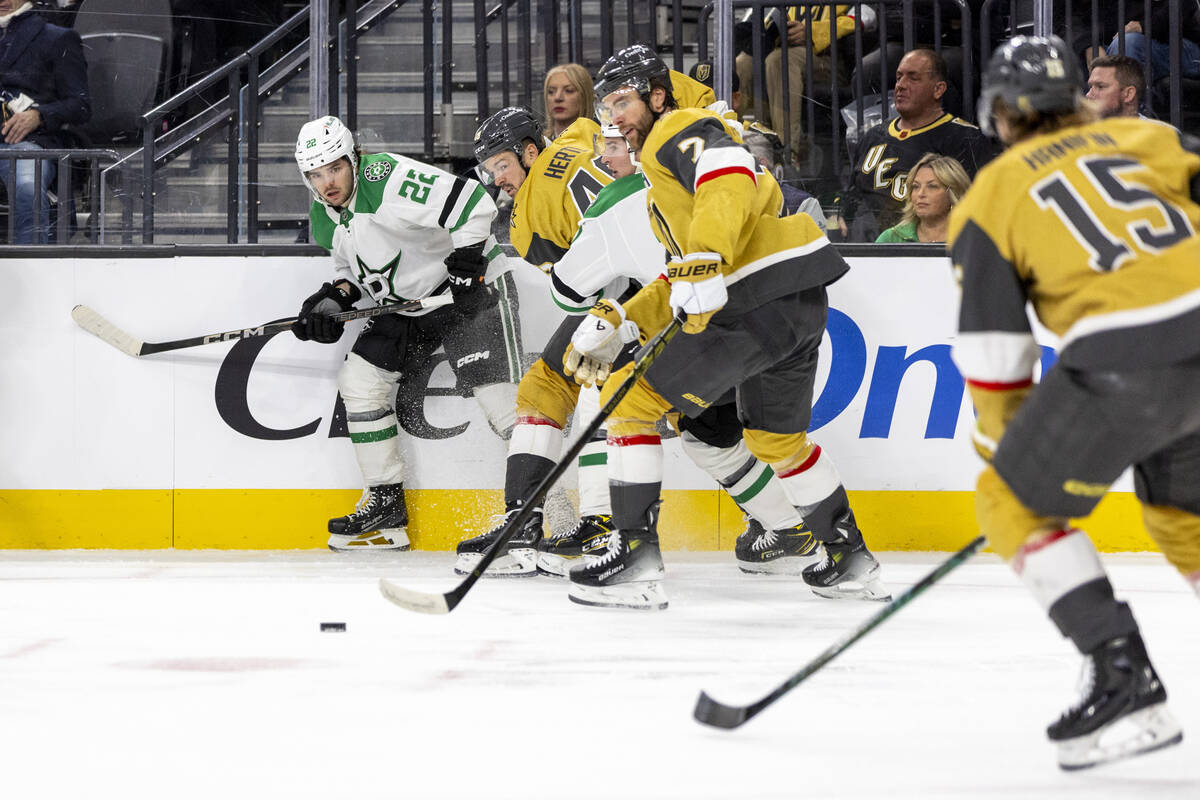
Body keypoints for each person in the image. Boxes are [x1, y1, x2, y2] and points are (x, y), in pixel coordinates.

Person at [561, 45, 889, 610]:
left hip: (752, 301)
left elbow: (726, 174)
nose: (613, 116)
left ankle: (635, 558)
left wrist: (707, 257)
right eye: (607, 105)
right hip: (796, 297)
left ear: (657, 96)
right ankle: (850, 556)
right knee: (776, 440)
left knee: (628, 402)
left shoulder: (678, 129)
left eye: (623, 100)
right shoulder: (660, 191)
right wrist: (620, 316)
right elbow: (681, 276)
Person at [948, 35, 1200, 770]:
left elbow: (997, 354)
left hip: (1127, 360)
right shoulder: (1146, 138)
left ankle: (1126, 683)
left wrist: (1004, 450)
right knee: (1185, 519)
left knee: (1009, 503)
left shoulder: (990, 198)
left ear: (1000, 113)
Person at [293, 116, 521, 551]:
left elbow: (474, 201)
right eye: (316, 175)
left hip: (468, 292)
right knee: (360, 382)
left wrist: (468, 262)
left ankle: (551, 520)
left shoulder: (387, 178)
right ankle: (385, 503)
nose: (328, 183)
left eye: (335, 168)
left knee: (504, 407)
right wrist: (335, 299)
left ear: (353, 158)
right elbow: (357, 272)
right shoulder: (324, 217)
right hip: (410, 305)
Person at [840, 48, 996, 242]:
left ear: (938, 89)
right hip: (867, 248)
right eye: (898, 78)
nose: (900, 86)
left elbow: (977, 207)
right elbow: (851, 198)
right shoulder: (873, 135)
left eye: (913, 78)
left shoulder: (965, 138)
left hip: (925, 252)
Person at [0, 0, 89, 244]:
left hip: (28, 143)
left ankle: (30, 264)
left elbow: (80, 105)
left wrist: (39, 115)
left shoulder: (57, 38)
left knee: (28, 185)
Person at [875, 152, 967, 243]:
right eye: (916, 186)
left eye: (932, 186)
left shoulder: (971, 237)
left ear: (953, 193)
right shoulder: (891, 238)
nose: (920, 194)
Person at [1104, 2, 1200, 85]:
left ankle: (1134, 103)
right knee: (1118, 46)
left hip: (1186, 47)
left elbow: (1172, 16)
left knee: (1127, 43)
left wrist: (1141, 26)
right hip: (1149, 45)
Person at [542, 62, 594, 141]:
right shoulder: (536, 147)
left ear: (585, 96)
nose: (558, 97)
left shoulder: (601, 145)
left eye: (569, 91)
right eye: (551, 91)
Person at [1086, 54, 1146, 119]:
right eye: (1090, 87)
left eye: (1100, 87)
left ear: (1129, 94)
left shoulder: (1155, 129)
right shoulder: (1079, 128)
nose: (1088, 95)